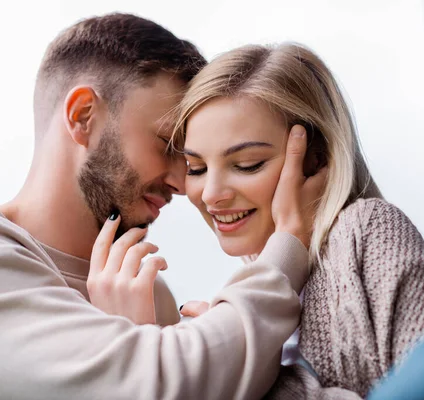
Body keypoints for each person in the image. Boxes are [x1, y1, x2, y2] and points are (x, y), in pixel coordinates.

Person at [0, 14, 326, 400]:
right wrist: (287, 247)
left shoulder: (151, 294)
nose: (185, 185)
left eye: (188, 160)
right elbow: (168, 382)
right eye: (166, 145)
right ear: (83, 115)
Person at [173, 43, 424, 398]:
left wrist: (255, 386)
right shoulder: (244, 295)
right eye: (197, 168)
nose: (210, 194)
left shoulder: (368, 231)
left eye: (247, 164)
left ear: (316, 158)